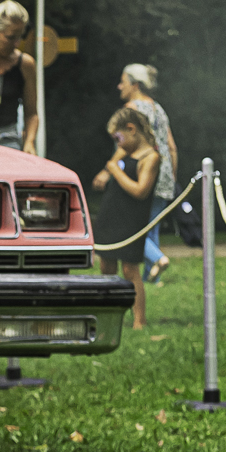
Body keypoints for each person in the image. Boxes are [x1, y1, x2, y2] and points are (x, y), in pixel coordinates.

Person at [95, 105, 160, 329]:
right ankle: (108, 314)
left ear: (131, 129)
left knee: (130, 269)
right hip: (110, 215)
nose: (118, 144)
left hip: (131, 219)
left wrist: (114, 170)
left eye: (118, 137)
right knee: (106, 266)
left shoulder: (151, 157)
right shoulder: (125, 152)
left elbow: (140, 191)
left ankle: (139, 321)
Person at [117, 64, 178, 283]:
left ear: (134, 84)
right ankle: (151, 278)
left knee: (133, 227)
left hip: (142, 172)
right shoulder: (158, 108)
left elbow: (123, 144)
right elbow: (171, 146)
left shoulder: (131, 109)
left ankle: (159, 259)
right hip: (163, 172)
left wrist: (115, 169)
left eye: (122, 81)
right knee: (152, 227)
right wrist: (172, 175)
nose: (119, 86)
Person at [0, 0, 38, 150]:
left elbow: (31, 114)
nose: (16, 44)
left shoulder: (25, 64)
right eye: (11, 37)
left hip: (9, 139)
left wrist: (29, 142)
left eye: (19, 37)